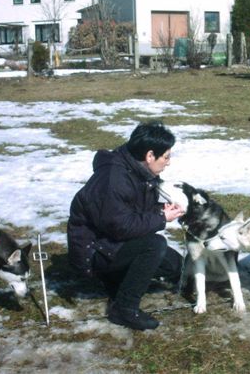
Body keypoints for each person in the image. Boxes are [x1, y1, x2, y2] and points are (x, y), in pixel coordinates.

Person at [67, 121, 185, 330]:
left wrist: (160, 209)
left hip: (112, 242)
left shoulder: (138, 171)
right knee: (154, 245)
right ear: (150, 156)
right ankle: (124, 309)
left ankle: (118, 278)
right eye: (166, 157)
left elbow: (133, 210)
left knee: (176, 266)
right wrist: (161, 218)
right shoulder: (114, 179)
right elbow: (120, 226)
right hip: (94, 252)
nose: (168, 163)